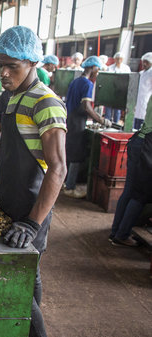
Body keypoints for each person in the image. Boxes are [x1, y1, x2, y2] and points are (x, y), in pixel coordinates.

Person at [0, 26, 68, 337]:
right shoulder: (8, 97)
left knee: (19, 283)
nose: (4, 73)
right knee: (30, 274)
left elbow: (57, 169)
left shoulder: (46, 103)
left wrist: (32, 221)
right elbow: (12, 154)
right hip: (9, 200)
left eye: (12, 66)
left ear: (32, 62)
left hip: (31, 209)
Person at [64, 56, 112, 198]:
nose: (98, 73)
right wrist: (101, 120)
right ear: (93, 68)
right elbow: (86, 106)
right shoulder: (88, 84)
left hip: (69, 119)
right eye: (98, 69)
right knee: (76, 155)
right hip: (77, 122)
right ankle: (70, 187)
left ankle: (64, 182)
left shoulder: (75, 81)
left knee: (69, 151)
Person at [110, 96, 152, 246]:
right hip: (147, 146)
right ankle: (121, 234)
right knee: (140, 194)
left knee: (129, 190)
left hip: (140, 141)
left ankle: (116, 232)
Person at [104, 52, 131, 123]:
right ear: (114, 59)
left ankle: (116, 124)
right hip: (110, 91)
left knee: (117, 111)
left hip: (120, 92)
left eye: (120, 59)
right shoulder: (110, 68)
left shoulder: (126, 68)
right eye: (117, 59)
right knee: (108, 110)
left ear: (122, 59)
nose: (119, 60)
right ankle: (106, 123)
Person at [134, 52, 152, 130]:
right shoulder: (141, 73)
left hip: (146, 101)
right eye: (143, 61)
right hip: (138, 101)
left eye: (146, 62)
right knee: (136, 122)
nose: (144, 64)